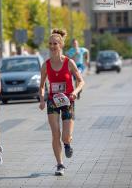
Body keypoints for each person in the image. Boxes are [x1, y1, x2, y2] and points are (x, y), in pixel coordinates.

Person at [39, 29, 85, 176]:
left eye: (55, 43)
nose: (52, 46)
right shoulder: (45, 65)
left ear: (61, 45)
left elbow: (81, 81)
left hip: (68, 100)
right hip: (53, 100)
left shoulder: (69, 62)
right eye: (50, 44)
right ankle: (60, 164)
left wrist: (74, 92)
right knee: (55, 133)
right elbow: (41, 85)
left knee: (65, 135)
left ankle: (67, 143)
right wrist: (41, 99)